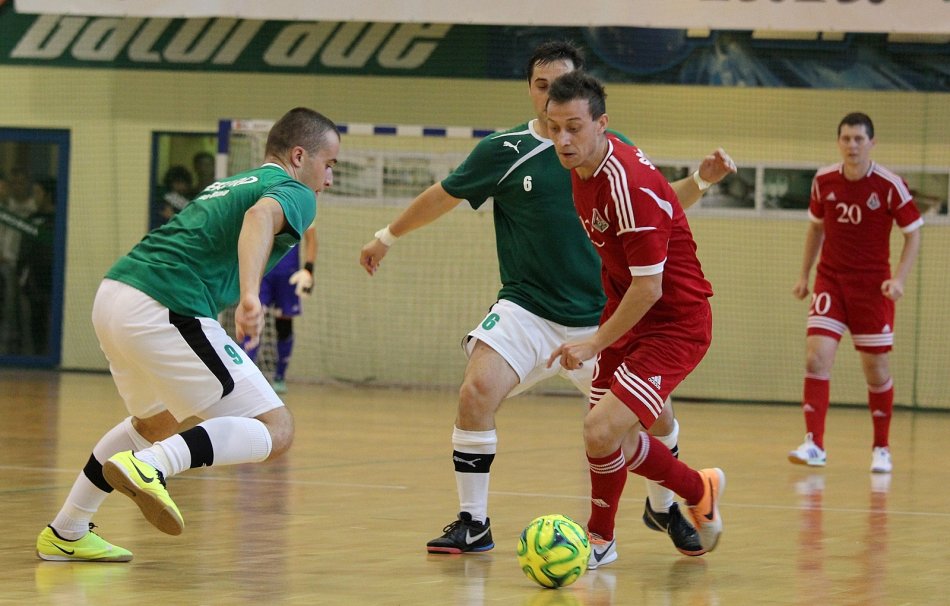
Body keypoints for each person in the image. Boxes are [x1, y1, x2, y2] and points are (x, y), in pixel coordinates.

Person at [359, 40, 735, 558]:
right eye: (543, 87)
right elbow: (442, 194)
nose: (554, 102)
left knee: (645, 423)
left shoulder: (610, 154)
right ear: (533, 92)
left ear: (592, 111)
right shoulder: (511, 151)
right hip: (530, 309)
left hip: (613, 316)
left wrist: (700, 182)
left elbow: (656, 206)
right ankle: (476, 523)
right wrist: (387, 235)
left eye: (565, 92)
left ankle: (667, 504)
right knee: (477, 394)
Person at [35, 107, 340, 562]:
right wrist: (251, 297)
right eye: (329, 164)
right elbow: (260, 219)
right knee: (276, 428)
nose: (329, 178)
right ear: (300, 155)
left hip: (116, 294)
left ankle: (68, 530)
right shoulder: (294, 190)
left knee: (155, 424)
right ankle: (152, 467)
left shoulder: (234, 181)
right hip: (166, 302)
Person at [545, 70, 725, 567]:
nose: (563, 138)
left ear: (603, 124)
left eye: (574, 127)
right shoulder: (582, 168)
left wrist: (591, 343)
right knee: (612, 438)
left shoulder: (628, 185)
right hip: (629, 311)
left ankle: (600, 541)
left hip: (674, 324)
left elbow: (651, 287)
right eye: (554, 126)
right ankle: (698, 488)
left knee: (600, 431)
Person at [787, 112, 922, 474]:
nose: (852, 145)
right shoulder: (824, 180)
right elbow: (816, 229)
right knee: (816, 358)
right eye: (846, 138)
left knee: (876, 369)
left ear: (872, 143)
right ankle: (814, 444)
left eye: (859, 139)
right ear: (838, 142)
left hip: (873, 288)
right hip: (831, 280)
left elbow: (913, 232)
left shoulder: (890, 185)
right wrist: (804, 275)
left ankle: (881, 447)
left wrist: (900, 280)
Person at [243, 223, 318, 393]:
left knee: (284, 325)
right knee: (253, 318)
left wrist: (309, 270)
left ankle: (280, 377)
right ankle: (246, 375)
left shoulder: (304, 202)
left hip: (289, 273)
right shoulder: (264, 198)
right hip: (263, 271)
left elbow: (312, 239)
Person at [18, 176, 57, 355]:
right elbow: (23, 252)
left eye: (38, 193)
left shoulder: (60, 220)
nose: (34, 197)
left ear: (48, 195)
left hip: (52, 282)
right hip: (33, 283)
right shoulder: (31, 219)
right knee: (34, 324)